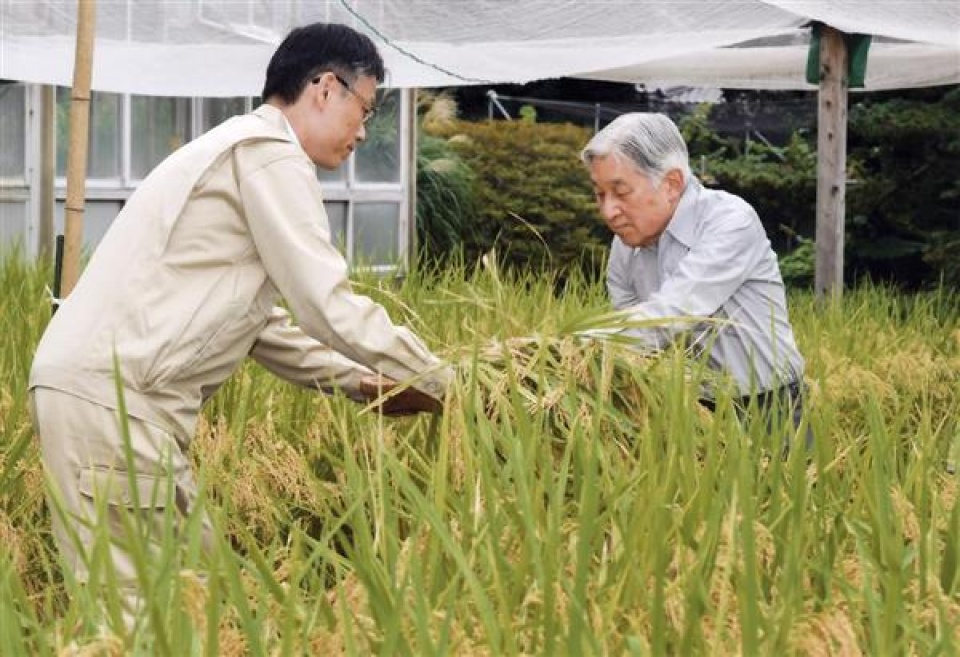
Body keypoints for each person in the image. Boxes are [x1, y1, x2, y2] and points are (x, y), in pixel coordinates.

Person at [28, 22, 450, 621]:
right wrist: (449, 381)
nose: (363, 131)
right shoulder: (269, 157)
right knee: (143, 621)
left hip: (110, 399)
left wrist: (361, 384)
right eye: (365, 109)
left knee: (207, 600)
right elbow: (326, 304)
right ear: (325, 88)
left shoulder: (236, 150)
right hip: (115, 404)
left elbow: (260, 326)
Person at [580, 112, 810, 439]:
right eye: (600, 194)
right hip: (687, 406)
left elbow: (673, 313)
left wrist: (574, 345)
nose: (608, 211)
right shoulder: (624, 248)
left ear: (672, 184)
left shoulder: (730, 221)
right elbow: (632, 343)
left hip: (769, 407)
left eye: (621, 192)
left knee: (781, 475)